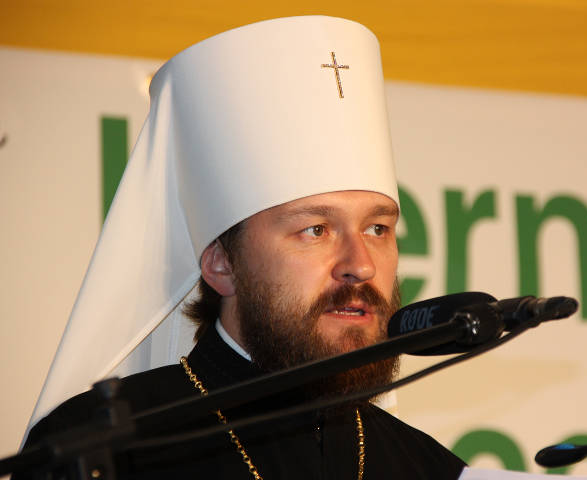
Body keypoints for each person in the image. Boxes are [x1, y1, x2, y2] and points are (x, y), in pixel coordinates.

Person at [15, 16, 466, 479]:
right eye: (316, 229)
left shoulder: (429, 469)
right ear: (221, 265)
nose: (361, 266)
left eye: (377, 229)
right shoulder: (98, 454)